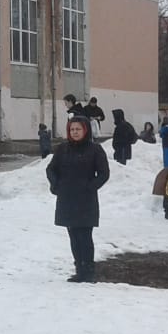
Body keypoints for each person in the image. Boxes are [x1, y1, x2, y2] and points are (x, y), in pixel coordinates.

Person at [46, 116, 109, 283]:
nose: (75, 132)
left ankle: (88, 271)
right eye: (72, 129)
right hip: (67, 198)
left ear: (85, 130)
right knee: (73, 234)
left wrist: (90, 187)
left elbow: (104, 174)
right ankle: (78, 269)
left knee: (85, 236)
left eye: (78, 129)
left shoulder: (95, 149)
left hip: (86, 200)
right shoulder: (62, 149)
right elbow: (51, 169)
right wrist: (55, 185)